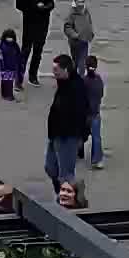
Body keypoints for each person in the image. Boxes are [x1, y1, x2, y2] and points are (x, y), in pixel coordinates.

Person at [44, 55, 91, 190]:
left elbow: (84, 113)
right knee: (50, 168)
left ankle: (66, 201)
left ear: (66, 70)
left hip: (68, 137)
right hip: (56, 134)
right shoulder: (63, 83)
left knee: (66, 174)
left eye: (56, 69)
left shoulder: (77, 87)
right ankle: (61, 192)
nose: (54, 73)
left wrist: (82, 136)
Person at [16, 0, 55, 84]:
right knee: (25, 51)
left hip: (42, 25)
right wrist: (34, 7)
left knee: (38, 52)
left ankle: (33, 75)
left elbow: (51, 3)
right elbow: (19, 4)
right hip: (29, 24)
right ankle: (19, 77)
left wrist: (45, 7)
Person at [84, 55, 108, 169]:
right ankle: (97, 159)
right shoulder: (98, 80)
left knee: (79, 134)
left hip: (84, 114)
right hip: (95, 113)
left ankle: (78, 151)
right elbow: (101, 94)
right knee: (96, 137)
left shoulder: (83, 81)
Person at [62, 0, 94, 73]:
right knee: (76, 62)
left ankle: (80, 80)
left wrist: (91, 33)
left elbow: (89, 23)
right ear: (75, 2)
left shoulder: (86, 11)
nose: (81, 4)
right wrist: (74, 35)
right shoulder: (72, 14)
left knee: (83, 63)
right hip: (75, 42)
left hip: (84, 41)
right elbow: (67, 27)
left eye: (82, 2)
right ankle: (74, 77)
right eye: (79, 2)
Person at [0, 29, 23, 99]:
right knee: (6, 82)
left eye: (11, 38)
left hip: (12, 67)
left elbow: (19, 55)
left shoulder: (14, 45)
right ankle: (7, 95)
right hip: (5, 67)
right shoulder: (2, 46)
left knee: (9, 82)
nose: (9, 39)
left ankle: (7, 94)